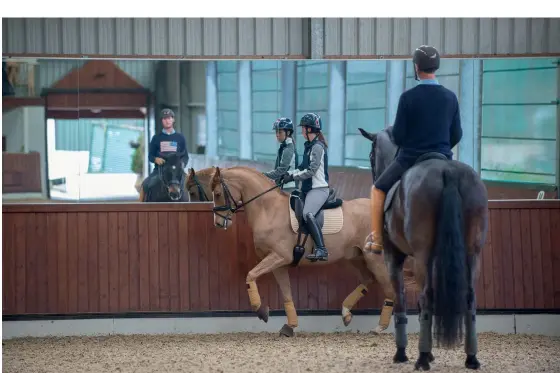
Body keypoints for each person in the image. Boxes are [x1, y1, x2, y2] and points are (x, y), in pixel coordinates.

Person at [365, 44, 463, 254]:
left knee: (377, 189)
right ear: (435, 67)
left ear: (416, 67)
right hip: (443, 157)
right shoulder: (450, 97)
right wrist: (442, 148)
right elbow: (457, 134)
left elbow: (399, 136)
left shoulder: (408, 98)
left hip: (411, 158)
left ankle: (377, 240)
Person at [279, 113, 330, 262]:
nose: (301, 131)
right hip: (307, 189)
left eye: (303, 128)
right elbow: (301, 167)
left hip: (319, 189)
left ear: (309, 129)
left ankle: (322, 249)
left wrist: (293, 177)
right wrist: (288, 173)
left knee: (308, 213)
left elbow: (311, 171)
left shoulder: (317, 147)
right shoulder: (308, 147)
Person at [143, 108, 189, 194]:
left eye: (169, 118)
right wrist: (156, 159)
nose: (167, 121)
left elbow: (185, 156)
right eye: (164, 118)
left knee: (192, 186)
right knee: (146, 184)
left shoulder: (180, 138)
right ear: (162, 121)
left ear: (173, 119)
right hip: (159, 171)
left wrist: (182, 164)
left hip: (177, 171)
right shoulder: (156, 138)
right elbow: (150, 156)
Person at [262, 117, 299, 192]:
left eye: (280, 132)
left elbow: (281, 171)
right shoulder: (284, 147)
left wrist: (263, 175)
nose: (277, 135)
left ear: (288, 133)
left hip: (288, 188)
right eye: (276, 132)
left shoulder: (289, 149)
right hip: (281, 185)